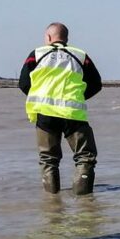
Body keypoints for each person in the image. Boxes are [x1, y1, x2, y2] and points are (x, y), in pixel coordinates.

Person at [18, 22, 103, 195]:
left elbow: (24, 83)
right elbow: (96, 84)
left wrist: (40, 96)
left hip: (45, 115)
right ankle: (84, 202)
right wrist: (79, 96)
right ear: (67, 38)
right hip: (73, 114)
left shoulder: (37, 54)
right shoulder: (80, 55)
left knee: (48, 160)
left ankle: (52, 203)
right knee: (85, 158)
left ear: (48, 37)